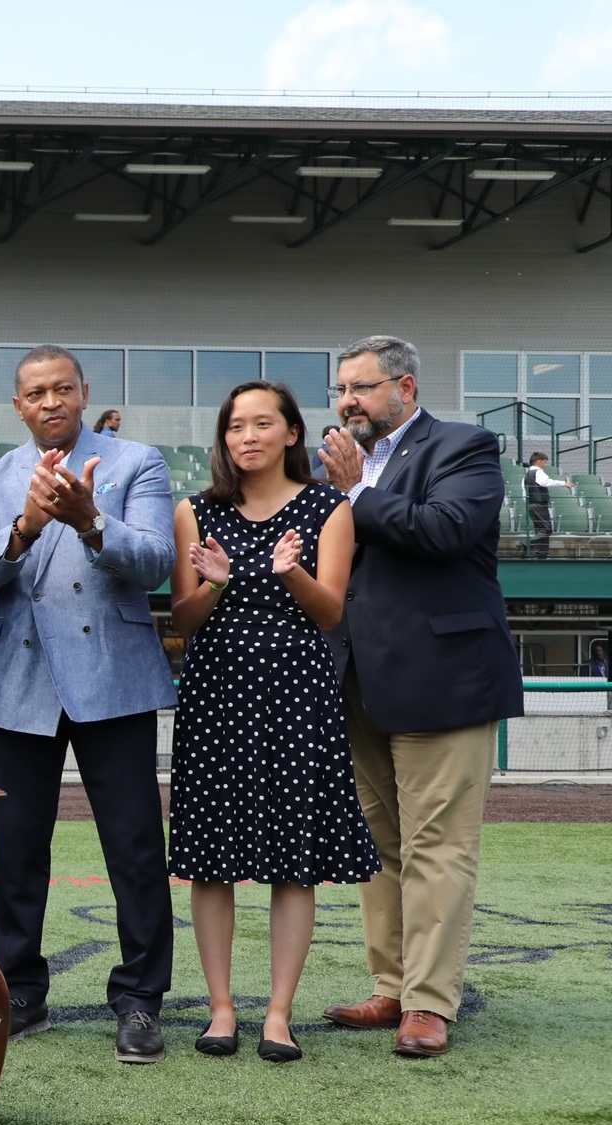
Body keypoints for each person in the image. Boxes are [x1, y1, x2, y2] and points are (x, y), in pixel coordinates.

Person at [0, 344, 178, 1064]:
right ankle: (19, 989)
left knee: (137, 845)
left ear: (84, 393)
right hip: (20, 681)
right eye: (34, 393)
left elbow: (155, 562)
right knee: (17, 849)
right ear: (17, 405)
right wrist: (23, 527)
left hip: (112, 674)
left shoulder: (135, 461)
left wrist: (90, 521)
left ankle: (141, 998)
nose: (49, 401)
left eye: (62, 388)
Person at [316, 335, 523, 1058]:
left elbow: (444, 531)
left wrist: (356, 493)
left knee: (438, 845)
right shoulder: (337, 466)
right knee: (381, 844)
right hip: (360, 681)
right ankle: (392, 985)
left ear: (405, 388)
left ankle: (430, 1005)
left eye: (363, 387)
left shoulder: (465, 447)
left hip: (445, 676)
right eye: (342, 388)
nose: (348, 401)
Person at [168, 380, 380, 1063]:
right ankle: (221, 1007)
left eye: (263, 423)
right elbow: (183, 620)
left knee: (297, 862)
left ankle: (280, 1013)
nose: (247, 436)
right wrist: (220, 580)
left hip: (297, 692)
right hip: (216, 692)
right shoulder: (196, 511)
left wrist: (289, 572)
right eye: (235, 426)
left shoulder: (329, 506)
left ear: (292, 433)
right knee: (210, 860)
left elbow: (330, 613)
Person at [522, 451, 572, 561]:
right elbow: (545, 482)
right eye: (544, 462)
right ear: (539, 462)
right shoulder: (538, 472)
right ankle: (527, 544)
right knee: (547, 529)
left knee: (541, 530)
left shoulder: (526, 476)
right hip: (539, 504)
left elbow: (524, 492)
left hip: (531, 504)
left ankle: (542, 554)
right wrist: (564, 483)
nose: (545, 465)